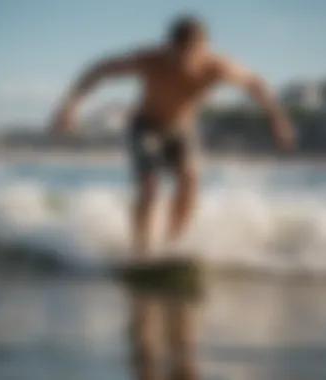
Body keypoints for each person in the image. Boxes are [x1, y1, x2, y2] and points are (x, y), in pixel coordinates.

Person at [50, 15, 295, 258]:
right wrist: (71, 105)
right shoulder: (150, 60)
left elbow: (255, 84)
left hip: (182, 129)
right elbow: (99, 70)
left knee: (190, 180)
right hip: (146, 125)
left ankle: (174, 245)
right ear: (169, 47)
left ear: (204, 48)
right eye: (179, 54)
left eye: (193, 53)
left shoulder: (217, 66)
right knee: (149, 185)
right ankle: (142, 250)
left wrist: (278, 119)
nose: (184, 62)